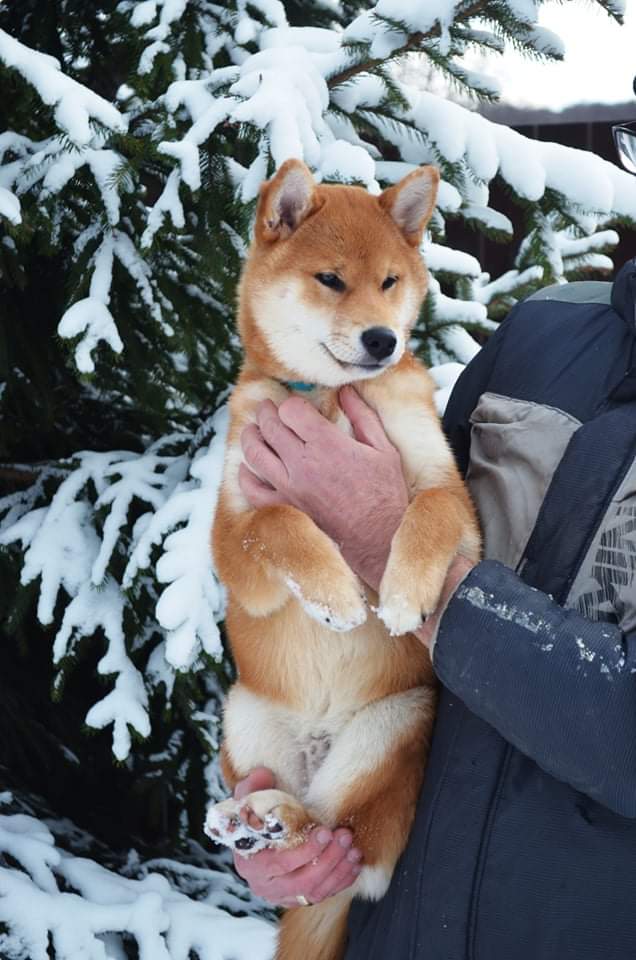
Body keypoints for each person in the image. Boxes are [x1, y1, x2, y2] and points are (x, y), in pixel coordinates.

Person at [229, 126, 636, 958]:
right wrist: (280, 805)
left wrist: (390, 551)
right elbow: (326, 592)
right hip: (397, 923)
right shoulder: (544, 337)